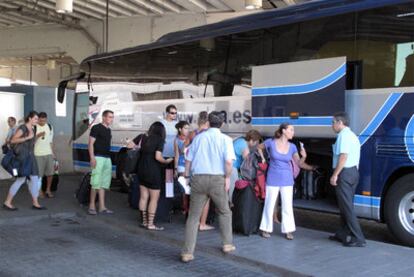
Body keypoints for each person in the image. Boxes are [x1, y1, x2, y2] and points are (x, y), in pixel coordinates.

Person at [181, 111, 236, 263]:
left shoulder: (198, 138)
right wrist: (227, 177)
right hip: (217, 179)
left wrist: (186, 177)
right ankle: (227, 244)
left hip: (198, 179)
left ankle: (187, 253)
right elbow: (229, 162)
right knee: (224, 212)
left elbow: (188, 160)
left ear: (208, 123)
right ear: (222, 124)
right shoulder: (226, 139)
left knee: (193, 217)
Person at [258, 123, 315, 240]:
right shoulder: (271, 142)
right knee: (269, 204)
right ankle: (265, 228)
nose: (293, 132)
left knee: (287, 206)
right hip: (272, 177)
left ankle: (288, 230)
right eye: (291, 130)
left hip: (287, 179)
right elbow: (259, 147)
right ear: (284, 131)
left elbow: (299, 163)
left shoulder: (293, 147)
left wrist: (304, 156)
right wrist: (263, 158)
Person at [329, 112, 366, 247]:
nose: (332, 125)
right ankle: (342, 234)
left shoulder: (343, 136)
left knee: (347, 207)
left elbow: (343, 156)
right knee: (345, 205)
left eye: (333, 122)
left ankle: (358, 238)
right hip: (353, 172)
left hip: (345, 173)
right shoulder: (352, 135)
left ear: (340, 123)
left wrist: (335, 174)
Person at [3, 111, 45, 211]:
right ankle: (8, 202)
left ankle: (36, 203)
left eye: (37, 119)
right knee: (21, 180)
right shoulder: (23, 128)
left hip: (30, 157)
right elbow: (13, 140)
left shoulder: (33, 128)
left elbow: (31, 142)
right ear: (29, 118)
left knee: (34, 179)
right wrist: (28, 137)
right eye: (35, 119)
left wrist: (35, 137)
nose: (37, 120)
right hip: (23, 158)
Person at [137, 122, 174, 230]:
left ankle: (144, 222)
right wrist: (166, 161)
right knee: (154, 199)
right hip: (153, 171)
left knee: (143, 197)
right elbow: (158, 157)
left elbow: (131, 145)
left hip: (141, 169)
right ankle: (151, 224)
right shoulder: (159, 140)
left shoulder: (144, 137)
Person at [187, 111, 214, 231]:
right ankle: (202, 224)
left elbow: (185, 149)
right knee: (206, 199)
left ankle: (194, 222)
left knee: (195, 198)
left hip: (195, 168)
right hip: (207, 169)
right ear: (208, 122)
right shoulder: (209, 135)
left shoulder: (193, 134)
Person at [88, 110, 114, 215]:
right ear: (103, 117)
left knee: (104, 183)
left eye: (112, 117)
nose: (111, 119)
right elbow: (90, 143)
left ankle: (102, 207)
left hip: (107, 158)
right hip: (98, 157)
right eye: (109, 117)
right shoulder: (96, 128)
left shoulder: (109, 130)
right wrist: (92, 158)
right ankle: (92, 205)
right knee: (95, 183)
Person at [230, 130, 262, 202]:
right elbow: (248, 162)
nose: (256, 144)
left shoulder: (240, 140)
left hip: (228, 166)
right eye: (256, 142)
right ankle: (232, 204)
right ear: (251, 140)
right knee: (232, 188)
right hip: (232, 168)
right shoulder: (245, 146)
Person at [34, 112, 56, 198]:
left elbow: (51, 141)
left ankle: (48, 189)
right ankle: (39, 191)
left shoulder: (50, 127)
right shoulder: (34, 127)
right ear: (38, 119)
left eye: (44, 121)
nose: (42, 122)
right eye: (41, 121)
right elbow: (31, 142)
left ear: (46, 119)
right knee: (39, 174)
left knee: (50, 173)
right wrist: (38, 136)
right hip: (38, 154)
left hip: (48, 153)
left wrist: (53, 153)